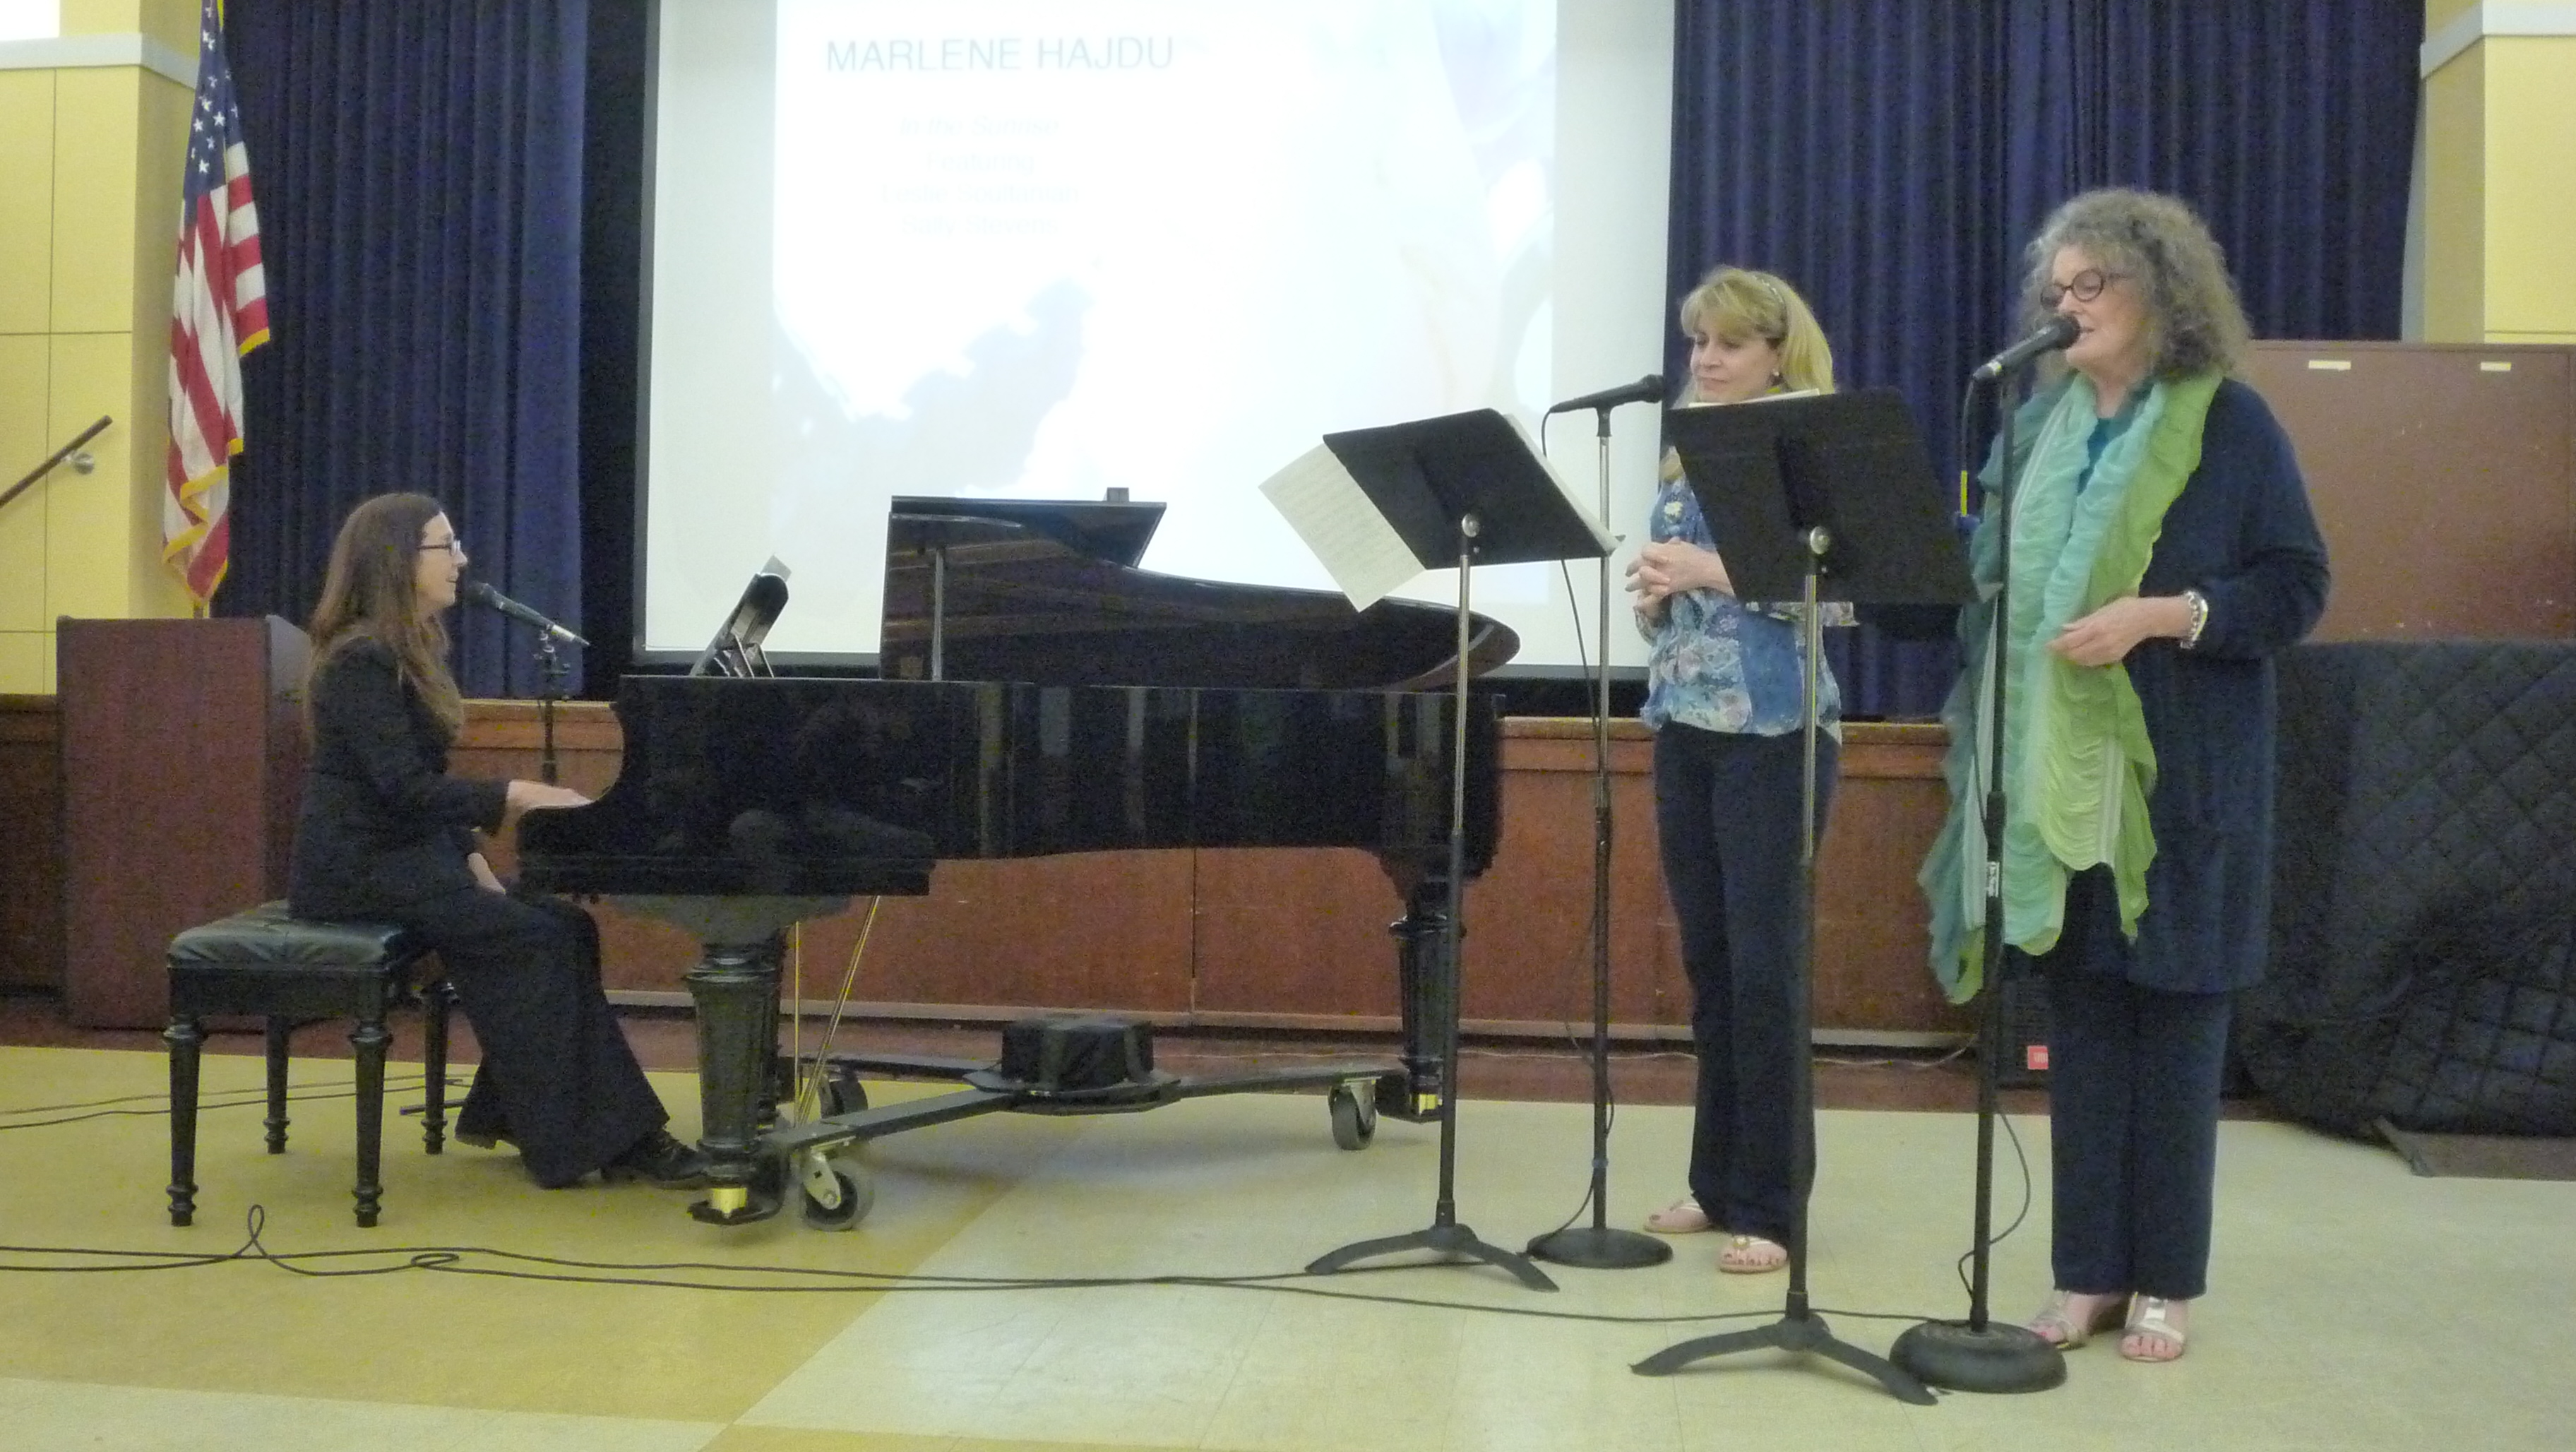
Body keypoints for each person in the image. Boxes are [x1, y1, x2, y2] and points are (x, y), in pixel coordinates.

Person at [1920, 190, 2330, 1362]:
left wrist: (2167, 614)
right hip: (2047, 783)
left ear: (2162, 293)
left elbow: (2297, 586)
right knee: (2083, 1038)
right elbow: (1976, 584)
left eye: (2091, 283)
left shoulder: (2229, 424)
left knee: (2176, 1033)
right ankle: (2087, 1272)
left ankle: (2167, 1280)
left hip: (2175, 792)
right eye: (2054, 288)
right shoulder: (2030, 430)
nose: (2066, 304)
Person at [287, 492, 708, 1190]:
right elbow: (401, 791)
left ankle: (522, 1113)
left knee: (566, 925)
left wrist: (475, 858)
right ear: (398, 559)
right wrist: (515, 794)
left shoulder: (400, 652)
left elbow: (421, 787)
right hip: (358, 870)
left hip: (407, 859)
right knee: (533, 938)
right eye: (445, 545)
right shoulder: (360, 662)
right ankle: (625, 1140)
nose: (462, 559)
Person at [1627, 266, 1851, 1274]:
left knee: (1767, 972)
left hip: (1778, 733)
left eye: (1726, 344)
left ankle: (1775, 1206)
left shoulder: (1809, 450)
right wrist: (1654, 602)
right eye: (1697, 344)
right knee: (1711, 968)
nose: (1705, 360)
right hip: (1687, 724)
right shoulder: (1686, 454)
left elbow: (1842, 592)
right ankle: (1717, 1184)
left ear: (1776, 353)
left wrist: (1708, 573)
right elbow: (1686, 599)